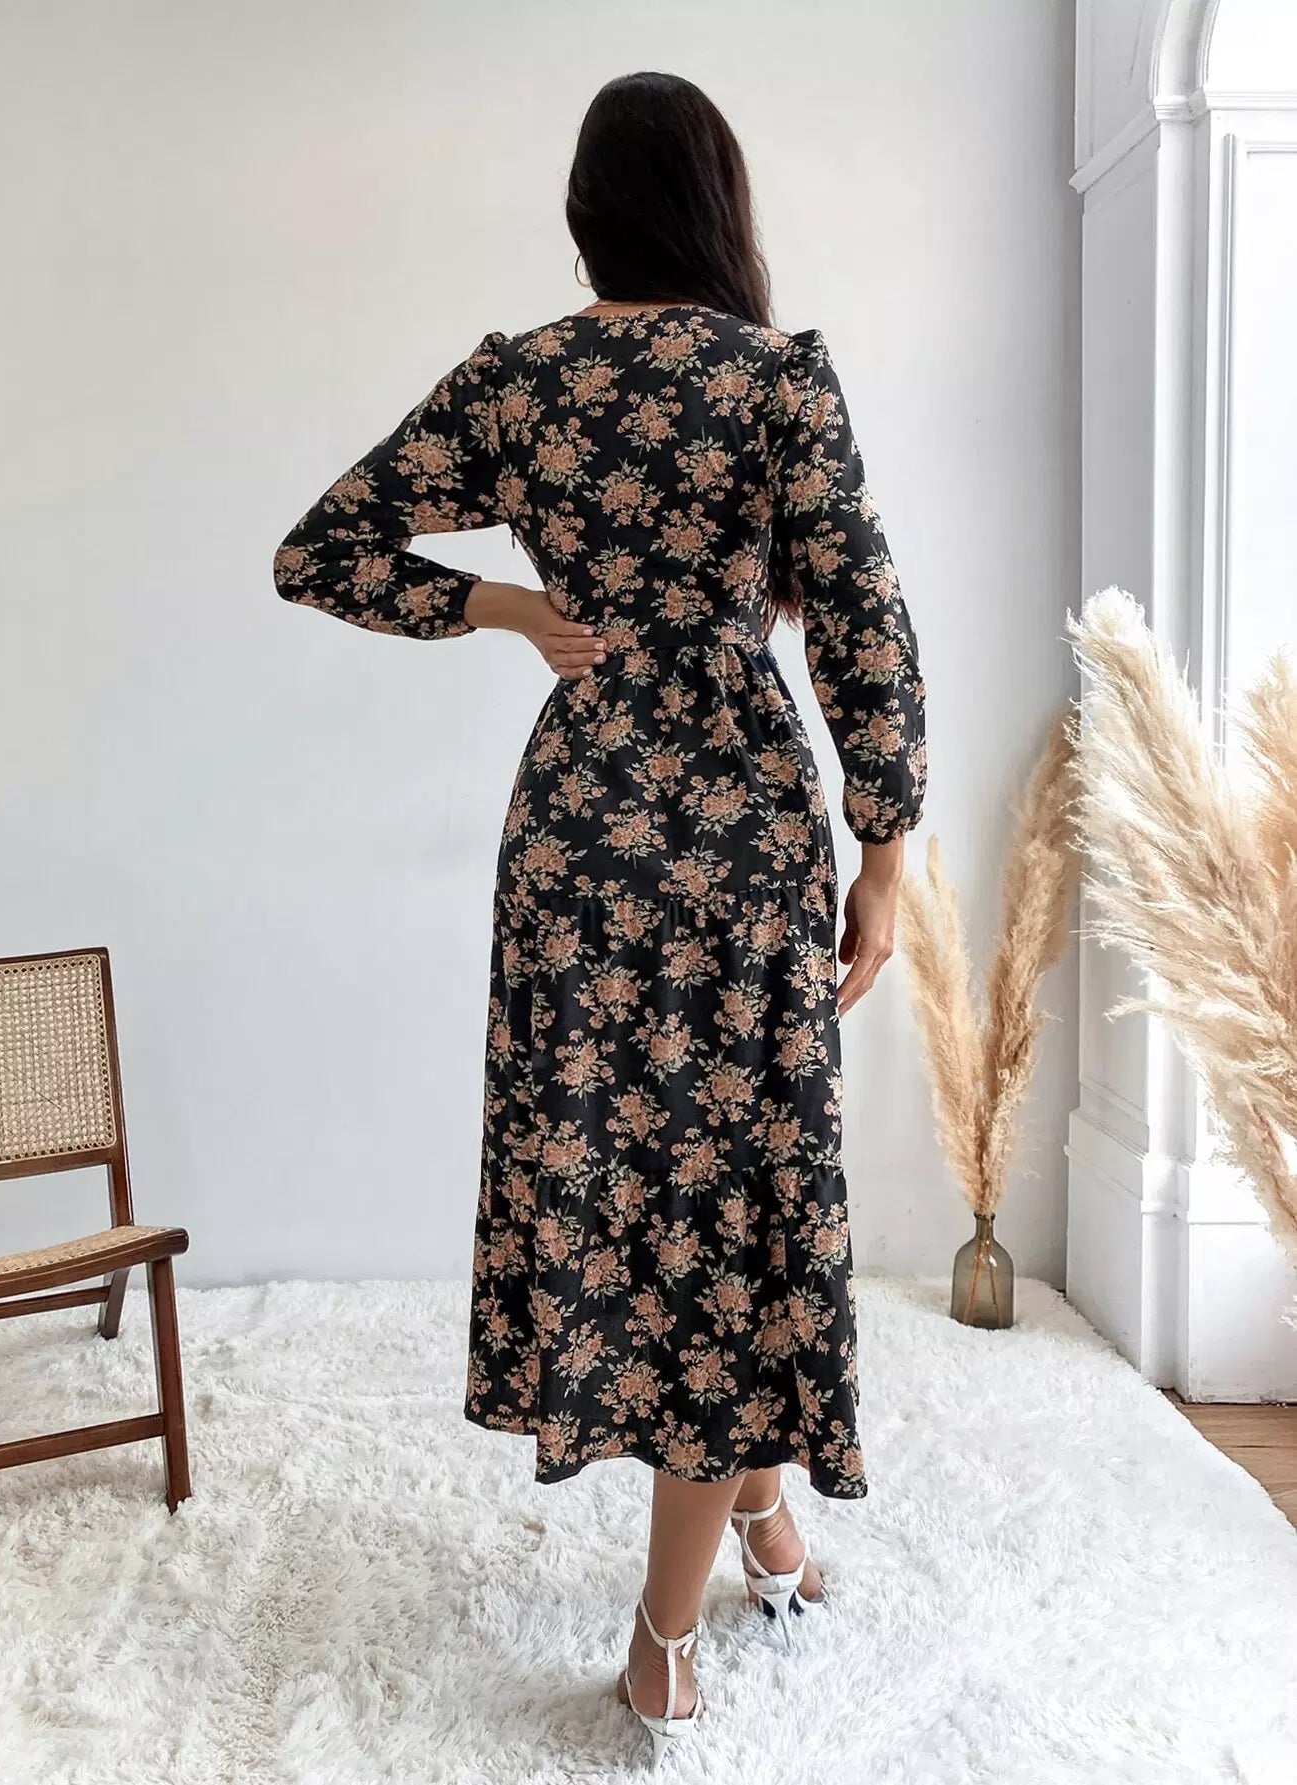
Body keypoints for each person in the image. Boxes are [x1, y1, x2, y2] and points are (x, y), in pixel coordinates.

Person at [274, 68, 925, 1767]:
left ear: (585, 216)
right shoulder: (775, 380)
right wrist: (890, 848)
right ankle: (660, 1639)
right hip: (740, 826)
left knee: (647, 1191)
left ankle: (762, 1518)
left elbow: (321, 548)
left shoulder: (521, 383)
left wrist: (511, 604)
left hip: (579, 827)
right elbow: (863, 621)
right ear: (720, 205)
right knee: (734, 1200)